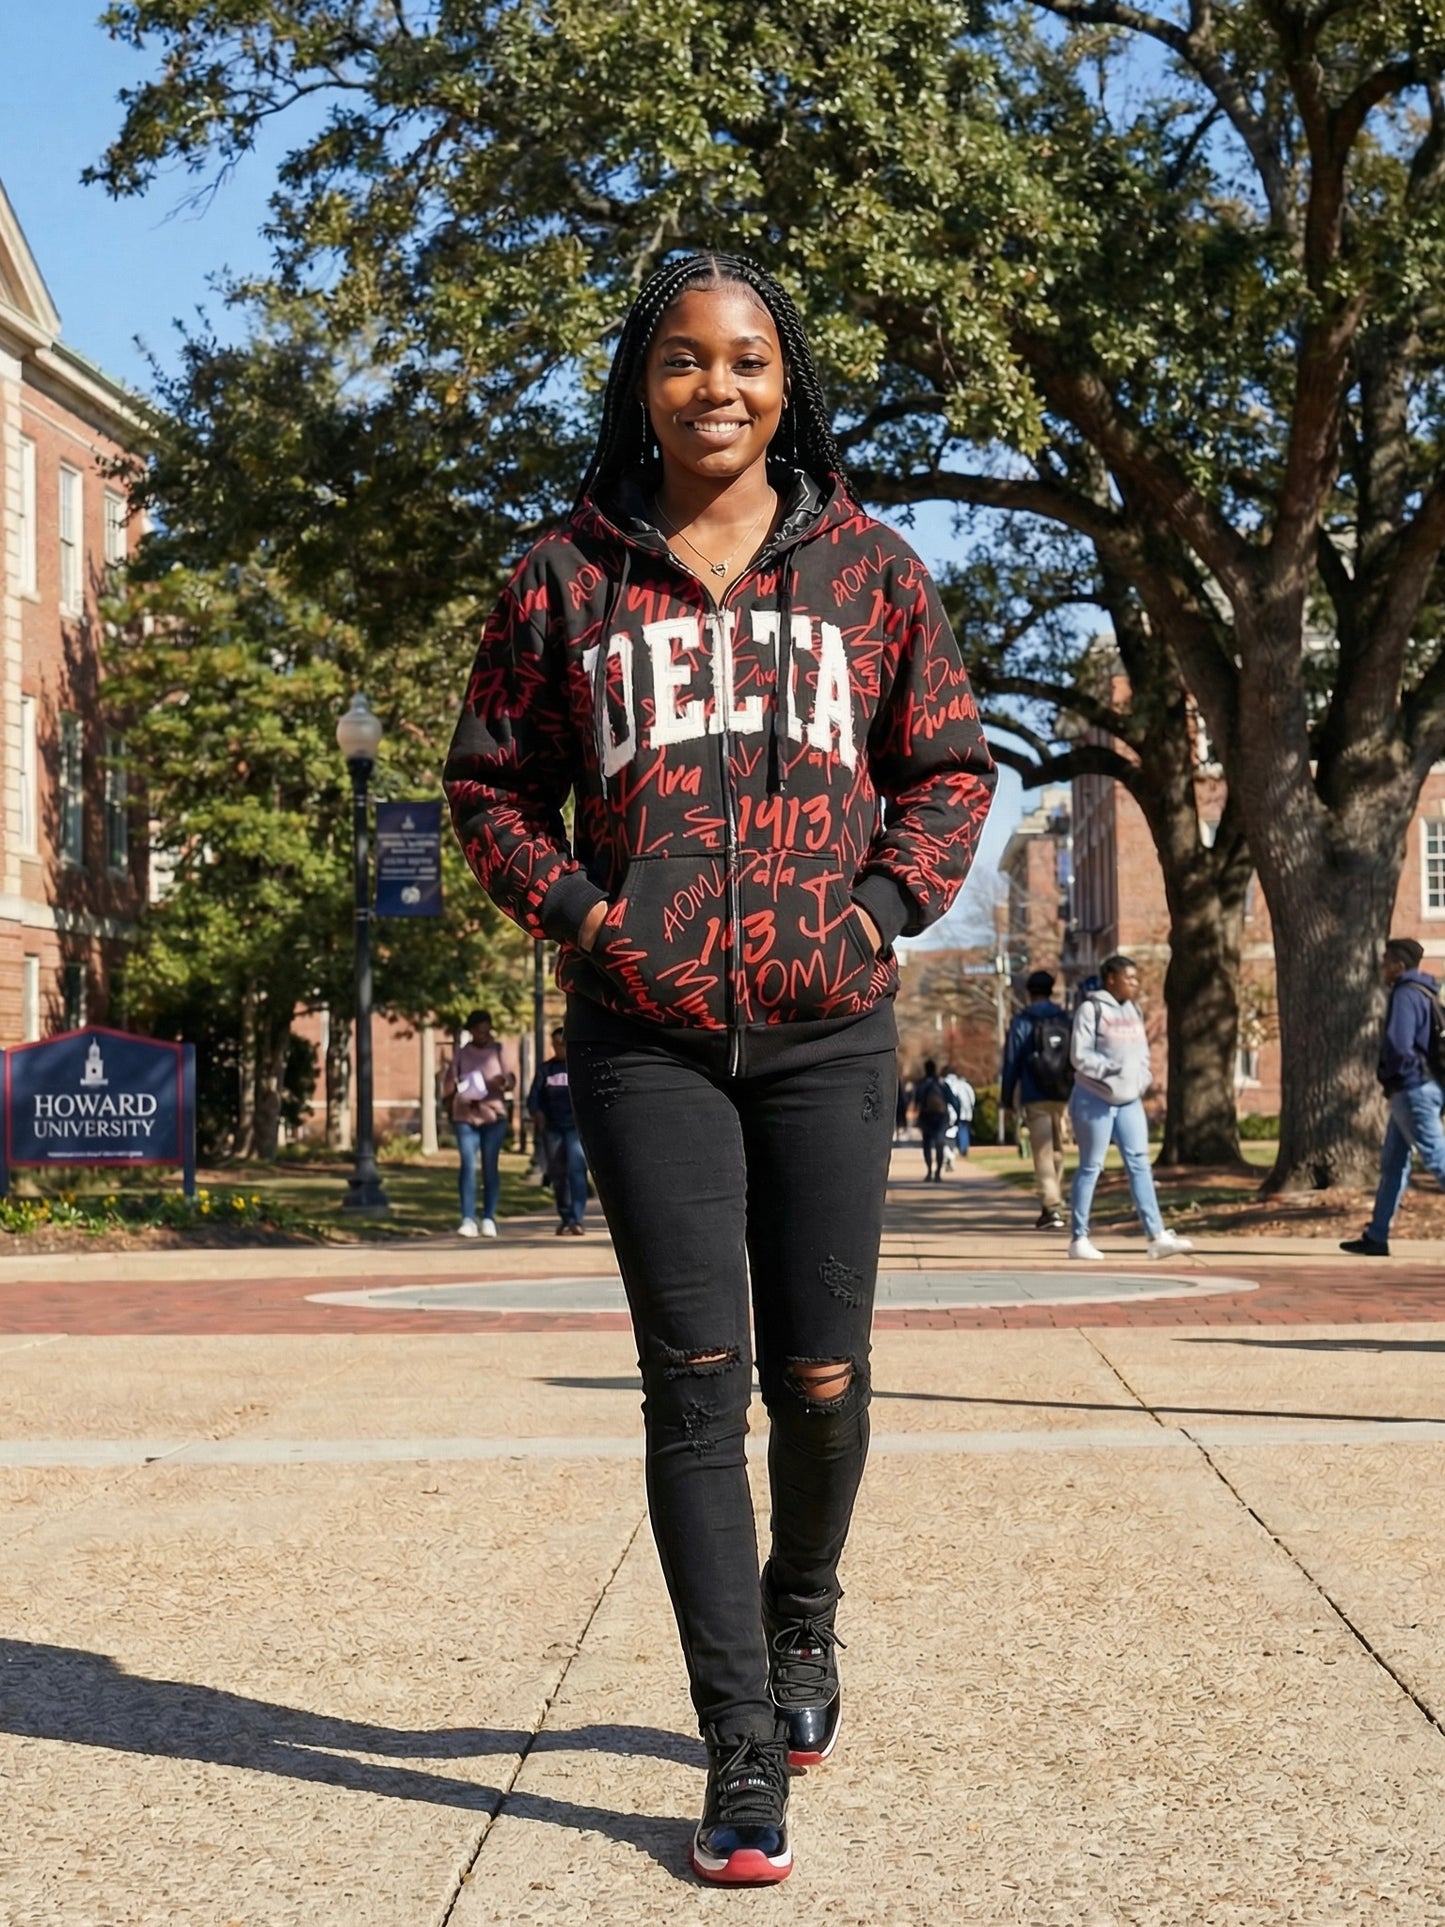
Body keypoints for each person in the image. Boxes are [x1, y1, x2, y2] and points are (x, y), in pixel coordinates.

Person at [444, 251, 995, 1885]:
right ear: (642, 381)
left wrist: (880, 908)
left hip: (827, 1029)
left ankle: (803, 1609)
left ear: (786, 380)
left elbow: (951, 765)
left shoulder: (876, 573)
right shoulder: (561, 577)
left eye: (746, 359)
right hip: (645, 1032)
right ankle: (739, 1743)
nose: (716, 388)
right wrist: (593, 922)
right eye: (683, 360)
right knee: (697, 1384)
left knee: (818, 1379)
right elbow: (488, 789)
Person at [1066, 956, 1193, 1262]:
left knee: (1140, 1165)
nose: (1135, 983)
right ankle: (1079, 1239)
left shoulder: (1133, 1010)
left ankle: (1157, 1236)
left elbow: (1143, 1052)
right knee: (1091, 1167)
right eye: (1130, 978)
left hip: (1129, 1102)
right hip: (1093, 1099)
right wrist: (1112, 1069)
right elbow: (1079, 1056)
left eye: (1136, 978)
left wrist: (1142, 1078)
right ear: (1111, 978)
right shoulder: (1091, 1009)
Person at [1341, 937, 1445, 1257]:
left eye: (1386, 961)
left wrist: (1395, 1075)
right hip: (1422, 1087)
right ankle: (1376, 1236)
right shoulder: (1427, 992)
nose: (1382, 967)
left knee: (1438, 1160)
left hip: (1413, 1089)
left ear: (1399, 965)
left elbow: (1399, 1045)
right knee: (1393, 1164)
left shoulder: (1404, 993)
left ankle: (1376, 1235)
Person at [1001, 968, 1073, 1230]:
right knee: (1057, 1149)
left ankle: (1051, 1206)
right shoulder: (1065, 1018)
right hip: (1063, 1093)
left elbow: (1011, 1062)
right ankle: (1057, 1199)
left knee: (1042, 1152)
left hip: (1034, 1094)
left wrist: (1007, 1099)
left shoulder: (1022, 1021)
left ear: (1029, 993)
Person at [440, 1009, 515, 1238]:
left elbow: (511, 1078)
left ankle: (489, 1217)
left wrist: (503, 1081)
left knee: (489, 1166)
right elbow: (450, 1082)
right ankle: (467, 1218)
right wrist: (455, 1091)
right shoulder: (462, 1054)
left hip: (493, 1117)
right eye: (479, 1031)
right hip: (466, 1115)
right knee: (468, 1165)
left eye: (487, 1031)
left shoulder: (499, 1051)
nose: (484, 1035)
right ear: (471, 1031)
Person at [527, 1027, 589, 1236]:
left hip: (575, 1128)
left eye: (563, 1043)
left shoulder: (580, 1068)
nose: (560, 1048)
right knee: (558, 1175)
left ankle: (577, 1218)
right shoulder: (546, 1070)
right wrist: (537, 1114)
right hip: (552, 1129)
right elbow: (533, 1098)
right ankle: (565, 1216)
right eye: (556, 1044)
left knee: (576, 1171)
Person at [913, 1058, 960, 1181]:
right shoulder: (941, 1083)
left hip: (926, 1117)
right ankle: (938, 1172)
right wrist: (957, 1115)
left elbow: (917, 1101)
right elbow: (953, 1100)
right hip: (941, 1117)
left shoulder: (921, 1084)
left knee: (927, 1144)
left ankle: (929, 1170)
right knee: (940, 1143)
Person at [941, 1064, 976, 1166]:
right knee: (964, 1129)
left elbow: (951, 1099)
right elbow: (972, 1097)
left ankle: (956, 1150)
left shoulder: (947, 1083)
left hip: (954, 1112)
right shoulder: (964, 1084)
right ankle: (964, 1149)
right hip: (967, 1112)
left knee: (952, 1132)